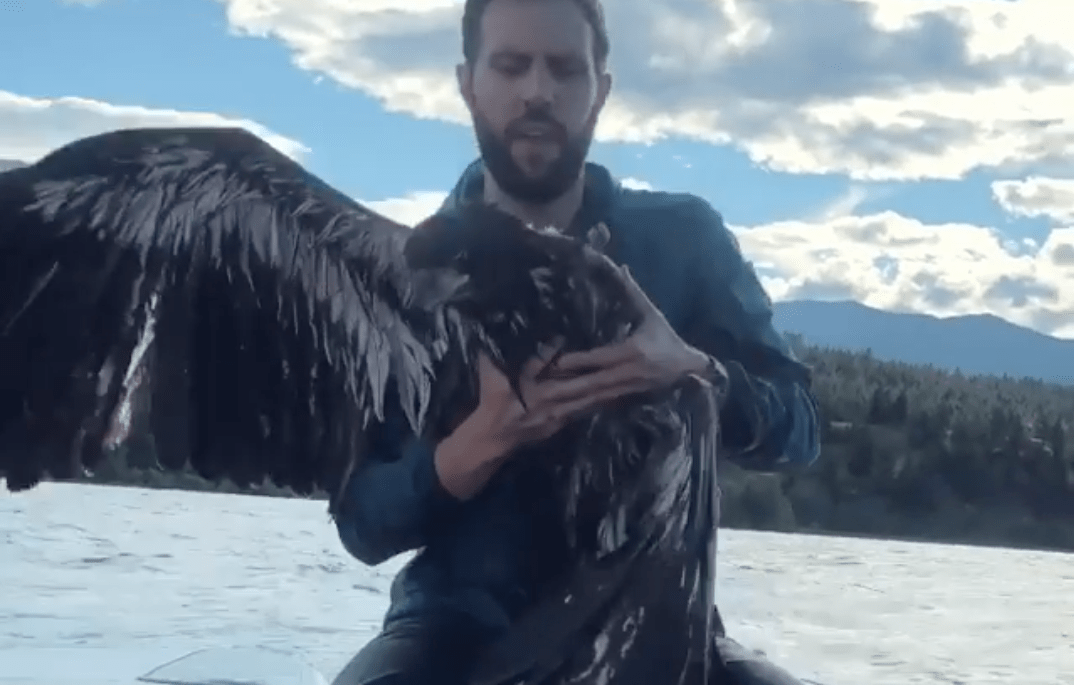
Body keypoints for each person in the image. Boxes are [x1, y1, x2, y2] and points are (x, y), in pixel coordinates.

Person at [329, 0, 820, 683]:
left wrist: (695, 373)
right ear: (468, 81)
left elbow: (798, 426)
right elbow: (362, 520)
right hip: (450, 634)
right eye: (511, 65)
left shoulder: (687, 242)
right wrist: (470, 451)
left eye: (564, 67)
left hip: (662, 626)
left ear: (601, 88)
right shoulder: (403, 278)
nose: (538, 91)